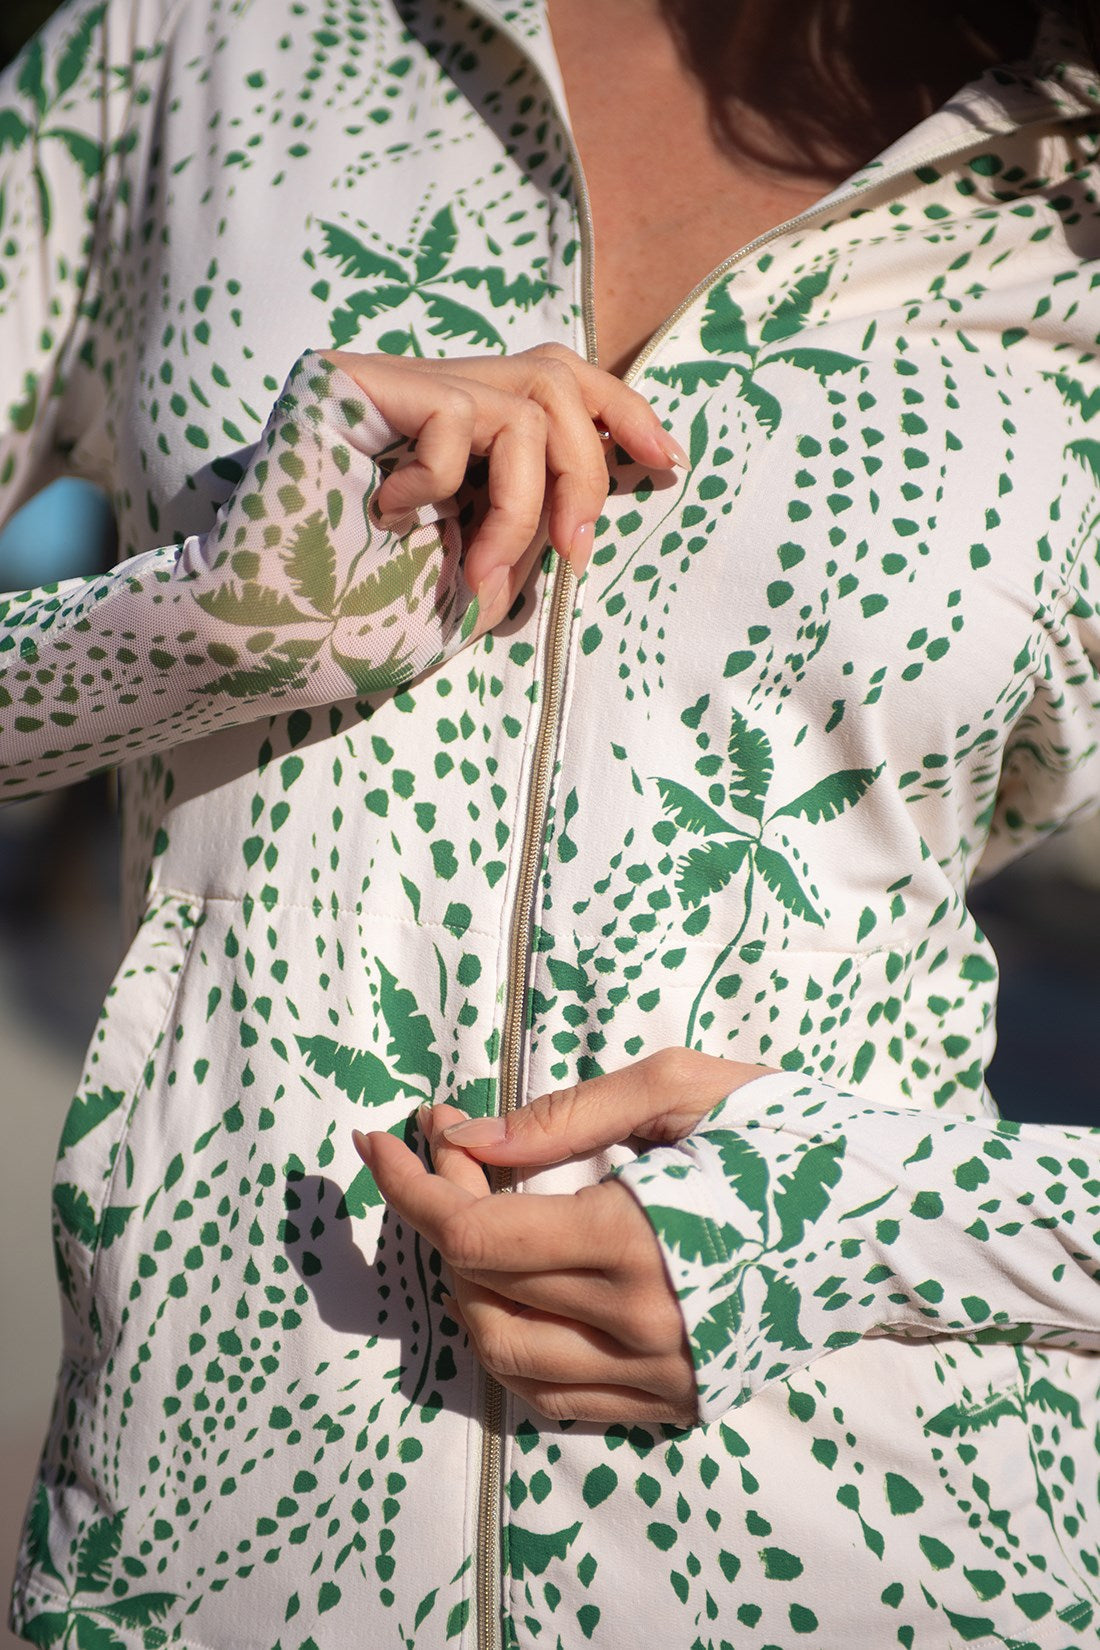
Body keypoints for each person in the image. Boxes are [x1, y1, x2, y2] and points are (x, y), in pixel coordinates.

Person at [2, 0, 1100, 1644]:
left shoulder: (1073, 185)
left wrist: (871, 1221)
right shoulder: (205, 41)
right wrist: (219, 617)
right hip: (220, 1563)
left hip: (882, 1567)